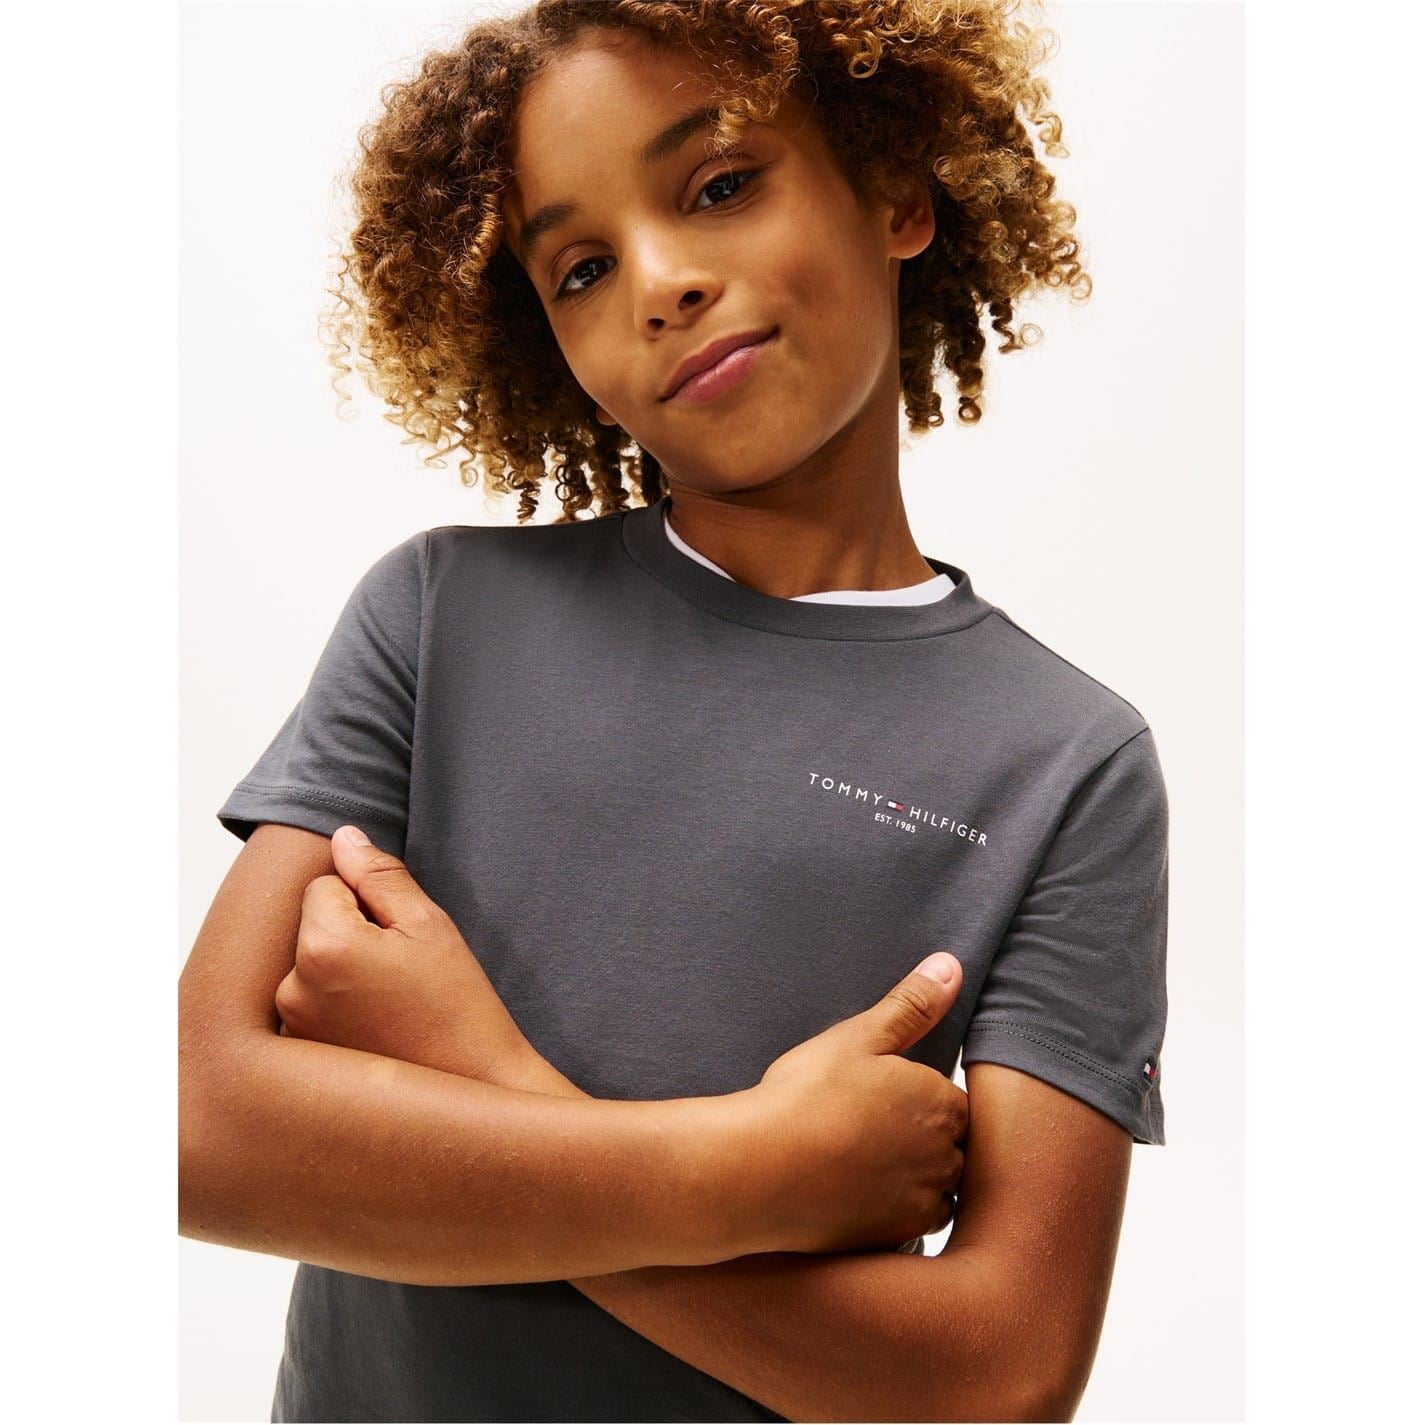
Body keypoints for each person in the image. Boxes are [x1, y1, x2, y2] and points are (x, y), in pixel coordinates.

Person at [178, 1, 1171, 1420]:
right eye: (580, 268)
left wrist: (476, 1067)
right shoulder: (439, 618)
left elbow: (999, 1378)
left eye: (718, 186)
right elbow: (190, 1129)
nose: (657, 284)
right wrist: (752, 1170)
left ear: (897, 187)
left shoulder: (1066, 760)